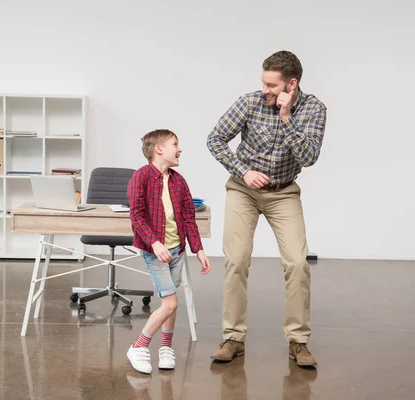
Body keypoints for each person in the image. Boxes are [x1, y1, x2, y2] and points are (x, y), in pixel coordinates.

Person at [206, 50, 327, 366]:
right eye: (263, 83)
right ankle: (233, 338)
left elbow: (308, 157)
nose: (265, 90)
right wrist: (242, 170)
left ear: (291, 85)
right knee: (235, 260)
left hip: (284, 192)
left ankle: (298, 342)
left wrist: (286, 119)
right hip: (243, 191)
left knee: (298, 263)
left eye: (272, 85)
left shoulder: (314, 109)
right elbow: (215, 139)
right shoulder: (248, 102)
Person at [126, 129, 211, 374]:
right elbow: (137, 217)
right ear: (159, 149)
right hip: (155, 252)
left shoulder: (178, 181)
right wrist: (155, 243)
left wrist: (198, 249)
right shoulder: (140, 178)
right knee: (171, 303)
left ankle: (166, 347)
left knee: (169, 301)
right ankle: (139, 346)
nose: (180, 148)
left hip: (177, 250)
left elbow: (188, 218)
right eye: (175, 144)